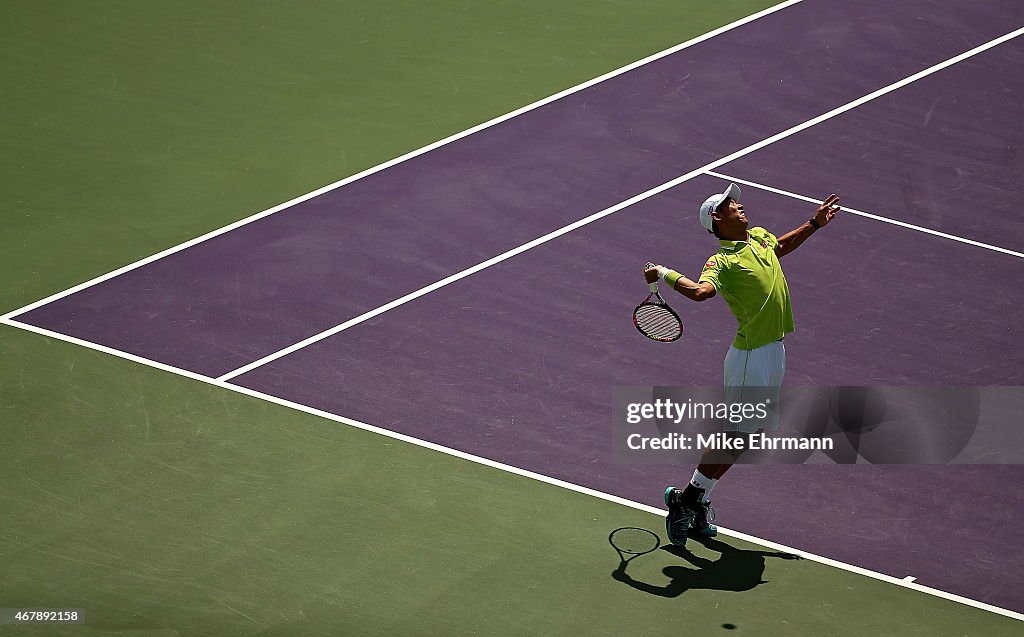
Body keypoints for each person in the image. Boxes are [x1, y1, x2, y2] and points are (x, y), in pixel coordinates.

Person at [644, 183, 840, 546]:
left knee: (746, 435)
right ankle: (687, 500)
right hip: (751, 356)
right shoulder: (721, 261)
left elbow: (780, 247)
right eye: (732, 205)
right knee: (735, 433)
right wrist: (664, 273)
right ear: (717, 218)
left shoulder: (762, 238)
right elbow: (701, 292)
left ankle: (693, 498)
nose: (740, 205)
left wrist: (813, 224)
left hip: (774, 351)